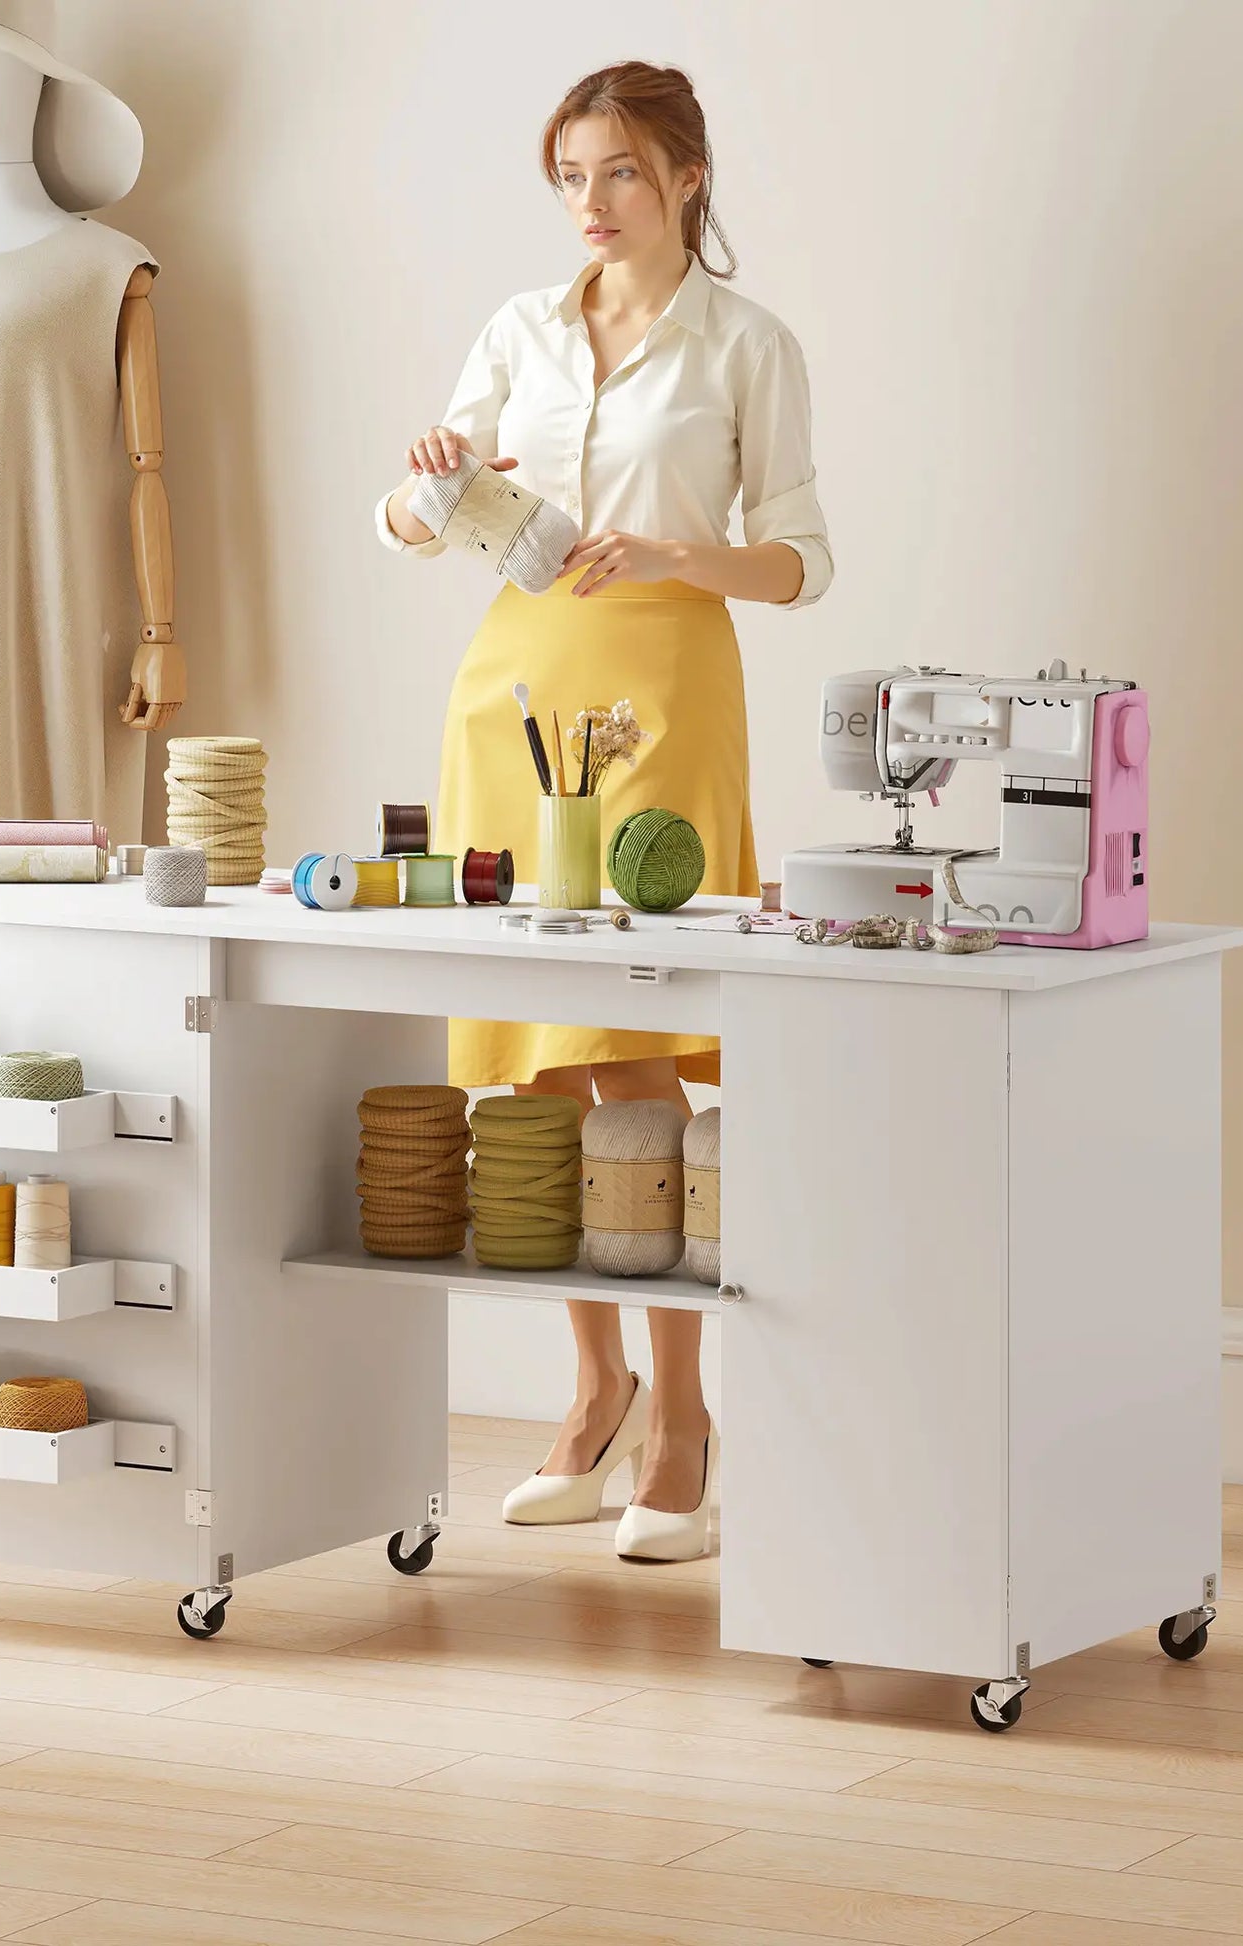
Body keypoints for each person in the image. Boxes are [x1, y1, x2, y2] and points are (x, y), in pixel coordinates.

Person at [374, 60, 832, 1562]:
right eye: (571, 174)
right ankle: (591, 1389)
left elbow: (800, 561)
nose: (591, 203)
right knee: (526, 1055)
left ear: (687, 178)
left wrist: (671, 553)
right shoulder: (516, 332)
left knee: (631, 1048)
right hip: (507, 695)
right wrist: (427, 479)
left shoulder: (744, 346)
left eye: (620, 173)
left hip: (662, 689)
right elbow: (410, 524)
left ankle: (686, 1420)